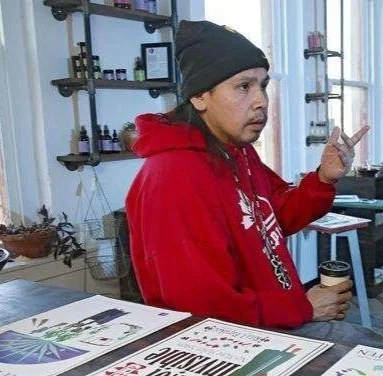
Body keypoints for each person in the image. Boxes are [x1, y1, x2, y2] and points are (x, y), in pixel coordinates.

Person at [126, 20, 369, 329]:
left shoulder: (236, 152)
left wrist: (323, 178)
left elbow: (275, 215)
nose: (261, 101)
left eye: (262, 85)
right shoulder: (174, 177)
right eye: (244, 86)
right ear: (200, 96)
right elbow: (200, 307)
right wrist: (302, 308)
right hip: (235, 342)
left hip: (274, 323)